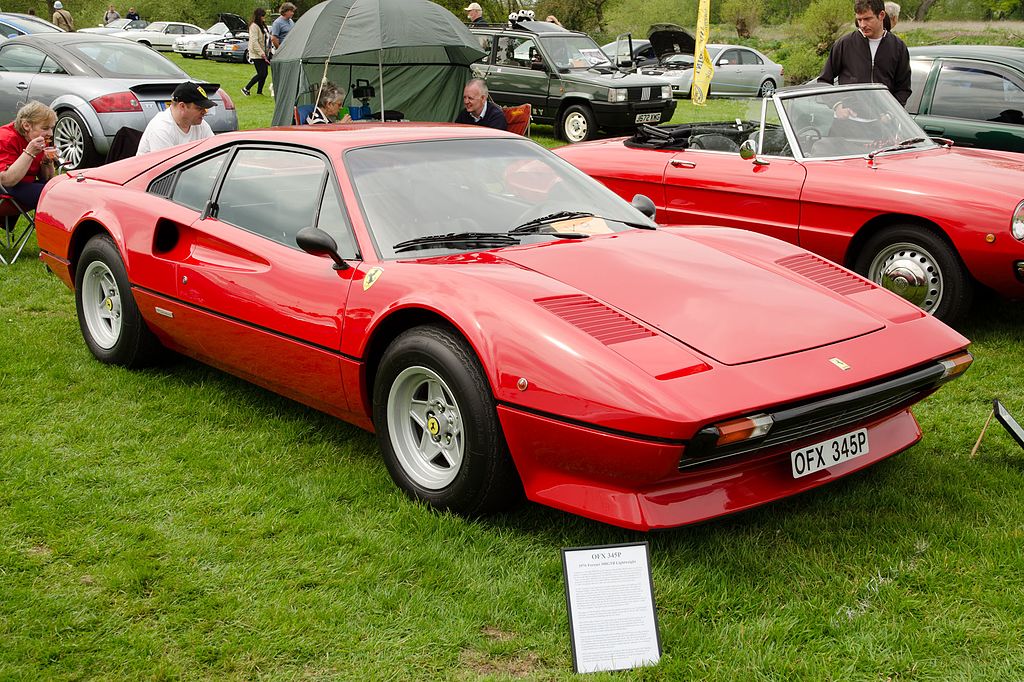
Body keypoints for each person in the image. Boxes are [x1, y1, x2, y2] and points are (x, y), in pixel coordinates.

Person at [817, 0, 911, 106]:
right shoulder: (845, 44)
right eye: (859, 20)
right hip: (848, 121)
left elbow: (903, 89)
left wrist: (890, 113)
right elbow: (823, 81)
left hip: (883, 121)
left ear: (881, 15)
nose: (862, 25)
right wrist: (836, 105)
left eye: (867, 19)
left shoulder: (898, 47)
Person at [0, 101, 58, 216]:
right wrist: (29, 152)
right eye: (45, 128)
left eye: (51, 128)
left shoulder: (38, 137)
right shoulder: (6, 138)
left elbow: (48, 179)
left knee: (59, 189)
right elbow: (6, 181)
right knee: (52, 196)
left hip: (25, 186)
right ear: (26, 125)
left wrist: (46, 162)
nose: (50, 133)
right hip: (5, 191)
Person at [137, 82, 215, 155]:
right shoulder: (161, 129)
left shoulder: (201, 125)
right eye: (199, 108)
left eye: (205, 108)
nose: (204, 112)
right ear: (182, 106)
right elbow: (166, 167)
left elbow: (215, 153)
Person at [241, 8, 271, 96]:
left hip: (263, 53)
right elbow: (254, 42)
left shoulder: (262, 26)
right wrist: (261, 53)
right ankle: (246, 88)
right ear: (258, 16)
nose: (263, 18)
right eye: (262, 16)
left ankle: (259, 92)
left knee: (264, 74)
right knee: (262, 73)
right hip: (256, 54)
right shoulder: (254, 26)